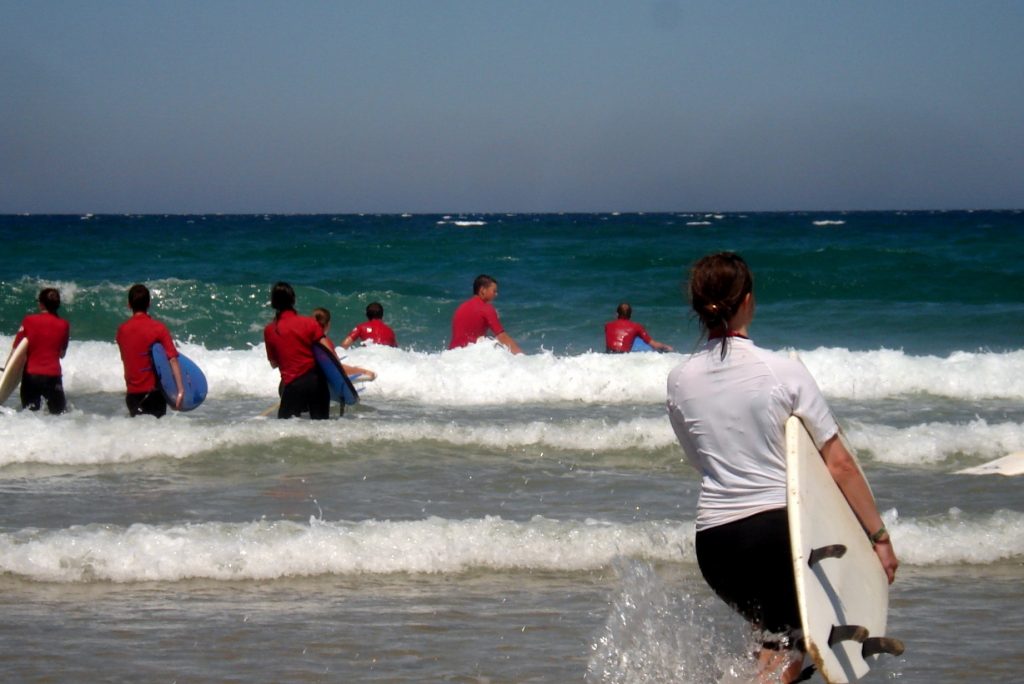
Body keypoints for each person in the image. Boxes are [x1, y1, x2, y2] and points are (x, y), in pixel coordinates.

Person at [665, 252, 898, 683]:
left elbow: (699, 459)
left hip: (715, 545)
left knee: (773, 644)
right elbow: (839, 463)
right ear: (748, 300)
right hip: (775, 536)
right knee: (786, 652)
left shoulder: (679, 379)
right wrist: (878, 538)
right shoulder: (783, 373)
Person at [264, 282, 334, 419]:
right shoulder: (310, 323)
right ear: (293, 300)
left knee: (286, 432)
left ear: (273, 303)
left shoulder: (270, 330)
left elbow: (274, 363)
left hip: (293, 385)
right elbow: (328, 352)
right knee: (322, 430)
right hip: (317, 383)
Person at [115, 284, 183, 418]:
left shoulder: (121, 331)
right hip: (154, 395)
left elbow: (127, 358)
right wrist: (180, 391)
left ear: (129, 305)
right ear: (149, 304)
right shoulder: (158, 328)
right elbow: (173, 359)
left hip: (132, 396)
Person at [11, 287, 70, 414]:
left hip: (31, 377)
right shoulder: (64, 324)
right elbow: (62, 354)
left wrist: (9, 371)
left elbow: (16, 350)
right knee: (60, 416)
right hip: (53, 377)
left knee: (30, 416)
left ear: (41, 304)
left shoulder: (28, 320)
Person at [448, 274, 522, 354]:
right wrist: (522, 358)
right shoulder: (486, 308)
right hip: (469, 355)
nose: (496, 294)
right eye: (494, 291)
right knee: (494, 344)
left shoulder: (461, 307)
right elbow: (502, 336)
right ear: (483, 290)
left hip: (452, 354)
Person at [312, 307, 376, 381]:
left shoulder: (306, 338)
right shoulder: (324, 342)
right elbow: (337, 368)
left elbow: (344, 345)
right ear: (328, 324)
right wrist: (364, 371)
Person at [604, 302, 673, 353]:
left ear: (617, 314)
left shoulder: (607, 325)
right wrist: (666, 347)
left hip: (609, 357)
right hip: (623, 358)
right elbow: (653, 344)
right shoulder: (636, 327)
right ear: (630, 315)